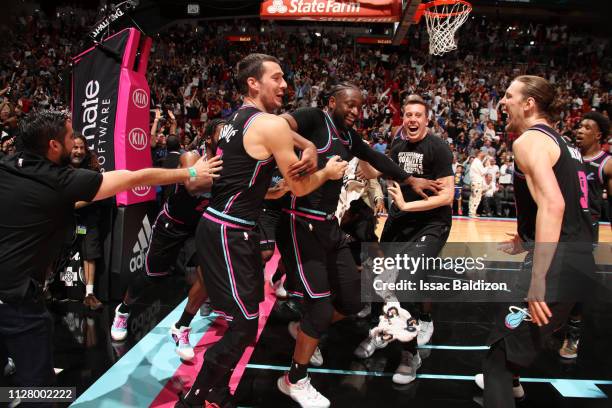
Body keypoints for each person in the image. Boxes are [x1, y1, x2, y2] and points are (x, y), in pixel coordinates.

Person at [0, 110, 219, 400]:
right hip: (16, 299)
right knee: (39, 388)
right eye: (69, 138)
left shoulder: (7, 164)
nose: (75, 143)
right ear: (53, 146)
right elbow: (133, 178)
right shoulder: (60, 179)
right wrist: (191, 172)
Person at [177, 53, 344, 408]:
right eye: (277, 78)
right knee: (243, 325)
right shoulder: (270, 125)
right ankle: (194, 399)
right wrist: (328, 173)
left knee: (244, 316)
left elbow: (249, 180)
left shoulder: (234, 120)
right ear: (254, 82)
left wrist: (310, 145)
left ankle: (219, 391)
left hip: (225, 223)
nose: (286, 85)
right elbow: (300, 188)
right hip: (229, 229)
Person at [276, 85, 440, 408]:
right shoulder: (313, 119)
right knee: (321, 308)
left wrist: (409, 180)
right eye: (350, 105)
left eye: (359, 107)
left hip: (328, 226)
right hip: (299, 222)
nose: (355, 111)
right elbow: (277, 125)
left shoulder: (349, 137)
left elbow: (375, 157)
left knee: (354, 299)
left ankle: (314, 327)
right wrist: (307, 146)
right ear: (333, 102)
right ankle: (294, 378)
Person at [474, 76, 595, 408]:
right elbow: (575, 209)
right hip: (580, 262)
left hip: (556, 265)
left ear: (529, 103)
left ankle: (506, 383)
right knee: (517, 345)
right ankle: (514, 385)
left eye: (509, 96)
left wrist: (539, 278)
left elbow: (554, 205)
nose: (502, 101)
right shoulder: (564, 143)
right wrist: (527, 238)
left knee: (495, 361)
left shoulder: (529, 141)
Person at [354, 94, 454, 385]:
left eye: (417, 115)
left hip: (431, 223)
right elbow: (370, 171)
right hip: (401, 221)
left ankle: (411, 353)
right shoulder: (397, 146)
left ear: (426, 119)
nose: (411, 119)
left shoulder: (439, 148)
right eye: (407, 114)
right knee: (376, 273)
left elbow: (447, 196)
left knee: (406, 279)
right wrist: (360, 148)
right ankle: (380, 331)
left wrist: (408, 205)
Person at [110, 121, 227, 362]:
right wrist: (228, 178)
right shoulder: (192, 157)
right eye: (222, 133)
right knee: (151, 277)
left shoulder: (230, 162)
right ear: (209, 140)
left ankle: (182, 327)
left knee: (208, 275)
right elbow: (193, 186)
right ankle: (123, 309)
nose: (228, 136)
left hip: (200, 226)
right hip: (172, 224)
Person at [557, 111, 611, 360]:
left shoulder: (606, 163)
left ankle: (574, 331)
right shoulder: (568, 155)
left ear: (599, 134)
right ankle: (557, 319)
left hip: (584, 230)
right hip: (560, 224)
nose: (579, 130)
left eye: (587, 127)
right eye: (579, 126)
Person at [71, 134, 104, 310]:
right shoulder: (58, 166)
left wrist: (73, 206)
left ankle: (89, 294)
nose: (78, 151)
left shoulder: (92, 169)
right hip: (63, 218)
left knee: (89, 251)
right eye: (75, 147)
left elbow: (95, 196)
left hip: (86, 220)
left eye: (81, 147)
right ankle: (44, 288)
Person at [468, 151, 487, 217]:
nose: (484, 153)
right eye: (482, 152)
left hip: (475, 181)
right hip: (477, 182)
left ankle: (472, 212)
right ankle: (472, 213)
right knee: (476, 198)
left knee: (473, 197)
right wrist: (487, 166)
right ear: (479, 154)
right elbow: (483, 172)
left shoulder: (477, 162)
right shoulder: (477, 162)